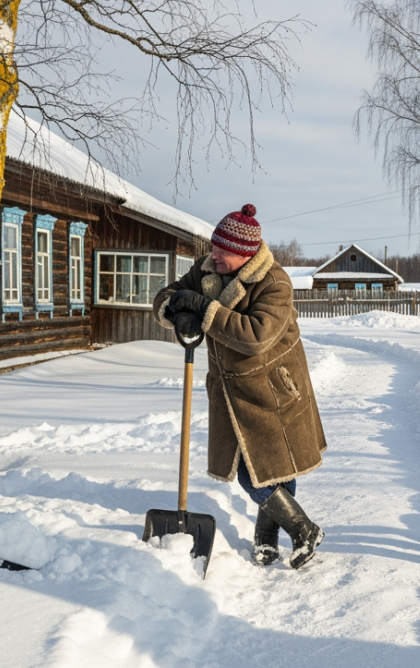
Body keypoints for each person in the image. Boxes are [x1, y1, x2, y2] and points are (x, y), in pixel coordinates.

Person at [152, 204, 327, 569]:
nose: (213, 256)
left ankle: (301, 530)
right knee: (259, 467)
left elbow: (256, 336)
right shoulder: (206, 271)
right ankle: (269, 539)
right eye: (213, 248)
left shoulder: (274, 283)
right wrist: (175, 308)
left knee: (268, 469)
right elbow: (168, 293)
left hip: (275, 391)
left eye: (222, 252)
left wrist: (205, 310)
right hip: (232, 392)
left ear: (246, 255)